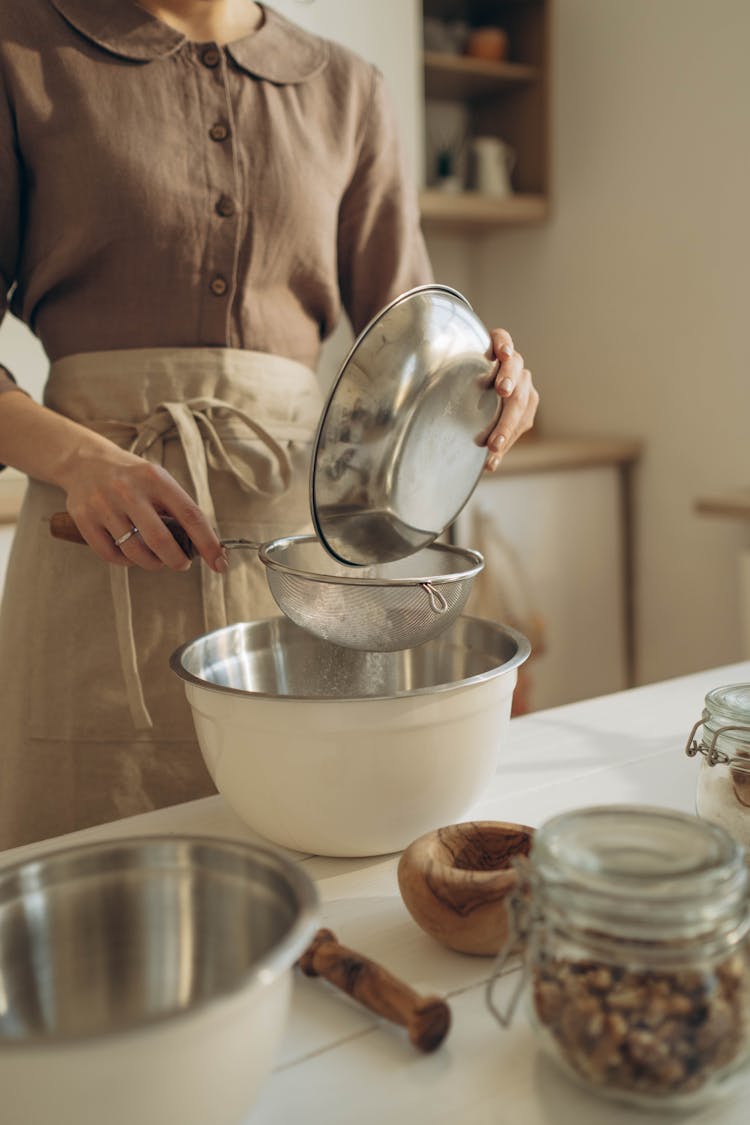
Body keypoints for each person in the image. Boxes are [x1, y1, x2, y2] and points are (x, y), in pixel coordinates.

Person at [0, 0, 539, 850]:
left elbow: (411, 349)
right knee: (92, 889)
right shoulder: (24, 44)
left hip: (299, 561)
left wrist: (487, 385)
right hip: (94, 544)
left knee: (311, 867)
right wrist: (78, 458)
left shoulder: (348, 89)